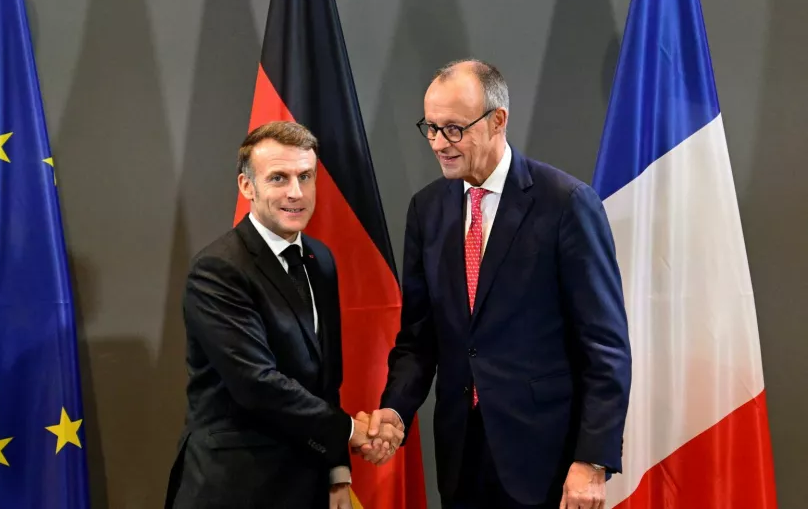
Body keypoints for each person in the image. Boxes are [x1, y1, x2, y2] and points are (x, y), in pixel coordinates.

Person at [365, 60, 632, 508]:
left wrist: (592, 460)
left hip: (544, 460)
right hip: (460, 457)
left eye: (453, 129)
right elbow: (418, 338)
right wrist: (394, 410)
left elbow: (605, 346)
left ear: (497, 121)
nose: (438, 144)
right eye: (430, 128)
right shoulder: (426, 210)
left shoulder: (565, 203)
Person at [164, 121, 403, 509]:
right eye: (278, 178)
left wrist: (336, 471)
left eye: (305, 176)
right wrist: (352, 430)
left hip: (305, 483)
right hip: (234, 487)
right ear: (247, 187)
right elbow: (256, 383)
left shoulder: (320, 259)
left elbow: (325, 380)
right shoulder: (218, 269)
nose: (296, 192)